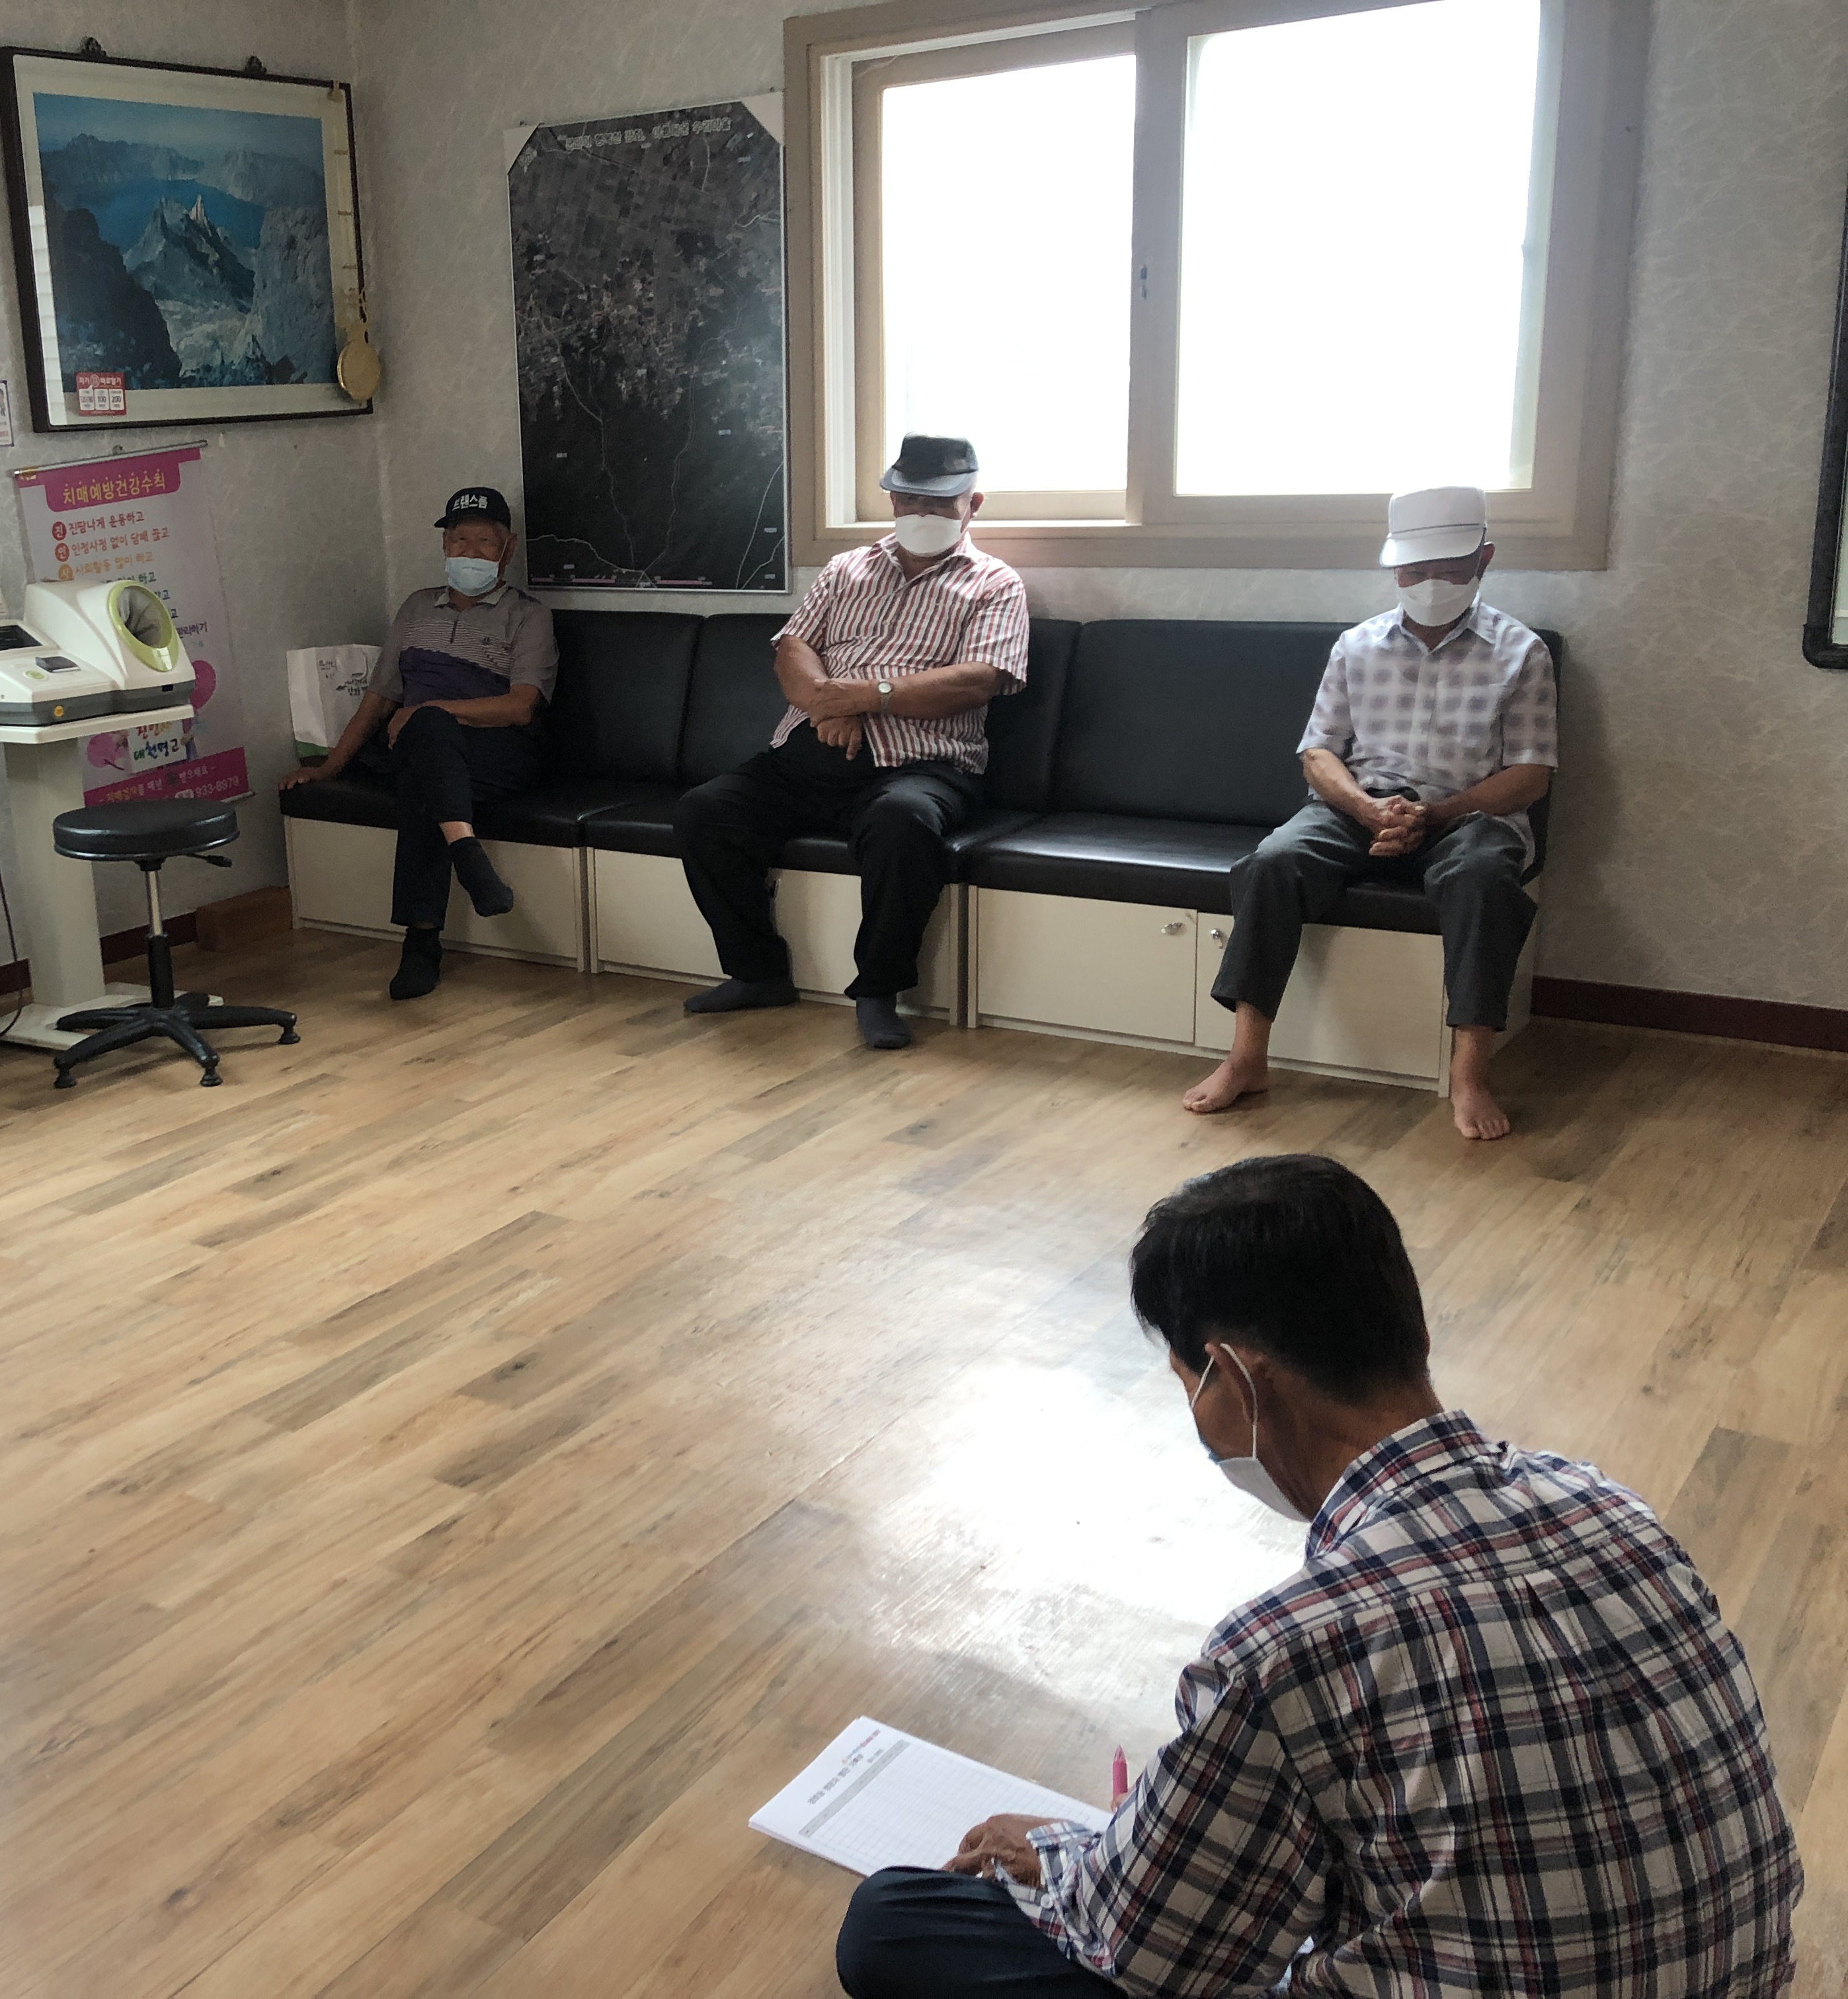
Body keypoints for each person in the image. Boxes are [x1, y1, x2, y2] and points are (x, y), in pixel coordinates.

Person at [834, 1154, 1800, 1999]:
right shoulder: (1611, 1507)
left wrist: (1051, 1850)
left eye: (1190, 1387)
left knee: (894, 1922)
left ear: (1235, 1379)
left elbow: (1149, 1955)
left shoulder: (1289, 1647)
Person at [1187, 486, 1557, 1140]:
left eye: (1450, 569)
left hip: (1469, 816)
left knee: (1483, 880)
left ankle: (1469, 1075)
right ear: (1394, 567)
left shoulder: (1521, 651)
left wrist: (1434, 814)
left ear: (1484, 559)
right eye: (1416, 570)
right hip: (1360, 808)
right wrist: (1366, 809)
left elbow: (1530, 776)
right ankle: (1247, 1059)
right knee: (1272, 863)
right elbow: (1317, 754)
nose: (1431, 583)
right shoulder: (1356, 646)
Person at [673, 434, 1027, 1050]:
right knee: (705, 811)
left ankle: (878, 992)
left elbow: (979, 680)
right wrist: (824, 705)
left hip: (922, 765)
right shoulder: (845, 569)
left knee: (903, 823)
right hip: (808, 753)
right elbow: (793, 648)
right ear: (892, 501)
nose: (922, 513)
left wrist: (866, 698)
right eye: (910, 499)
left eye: (940, 503)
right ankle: (757, 973)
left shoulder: (994, 583)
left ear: (973, 505)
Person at [280, 485, 555, 1001]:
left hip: (497, 751)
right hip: (422, 748)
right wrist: (328, 768)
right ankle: (468, 858)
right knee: (426, 756)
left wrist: (430, 712)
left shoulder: (528, 615)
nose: (469, 551)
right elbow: (379, 699)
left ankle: (421, 942)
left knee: (424, 755)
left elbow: (521, 706)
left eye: (484, 541)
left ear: (508, 548)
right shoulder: (416, 607)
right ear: (444, 545)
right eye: (459, 540)